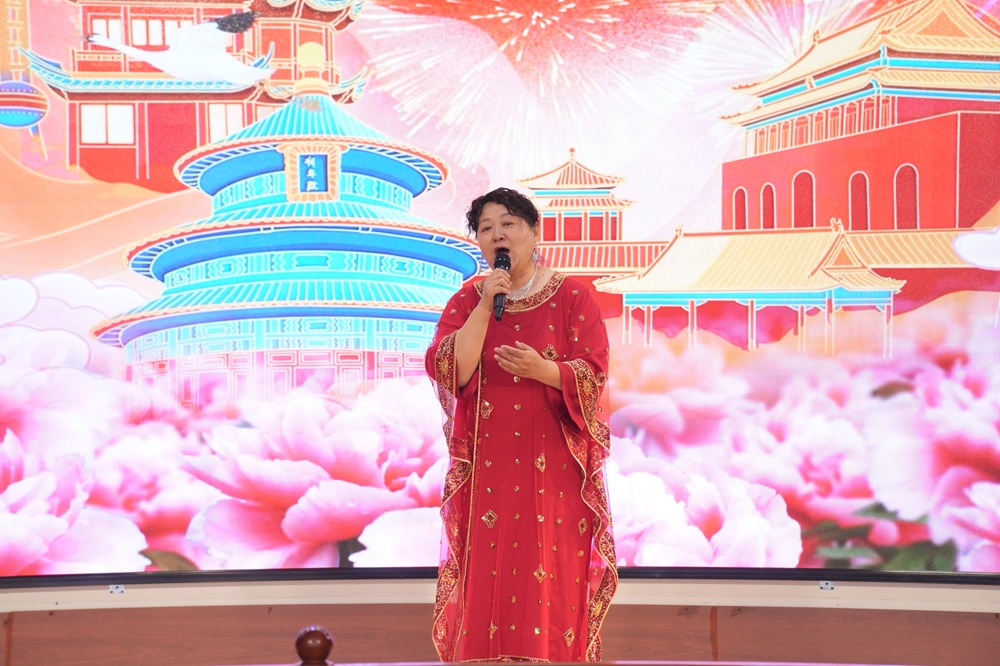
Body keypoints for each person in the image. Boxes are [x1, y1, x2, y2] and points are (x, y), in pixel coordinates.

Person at [425, 187, 617, 662]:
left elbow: (594, 372)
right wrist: (483, 307)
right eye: (486, 229)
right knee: (489, 575)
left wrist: (544, 370)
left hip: (553, 467)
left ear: (534, 232)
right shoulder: (470, 299)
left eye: (508, 224)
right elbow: (451, 370)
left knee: (548, 573)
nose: (497, 235)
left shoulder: (573, 296)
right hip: (487, 470)